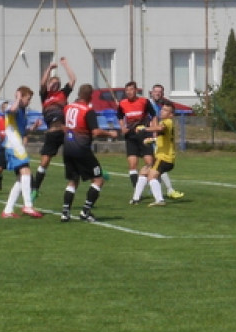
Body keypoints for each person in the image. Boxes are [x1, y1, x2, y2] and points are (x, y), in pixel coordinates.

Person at [60, 84, 117, 222]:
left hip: (68, 148)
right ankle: (85, 212)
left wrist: (71, 134)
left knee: (73, 181)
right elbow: (96, 132)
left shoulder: (68, 107)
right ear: (90, 96)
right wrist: (110, 133)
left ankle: (65, 212)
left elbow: (62, 126)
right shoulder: (88, 111)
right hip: (82, 149)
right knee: (98, 179)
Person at [31, 57, 76, 200]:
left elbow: (73, 79)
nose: (55, 85)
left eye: (57, 83)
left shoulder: (63, 94)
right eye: (53, 82)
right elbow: (42, 83)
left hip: (64, 130)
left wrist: (65, 65)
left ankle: (95, 172)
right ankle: (35, 189)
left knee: (78, 153)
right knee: (44, 162)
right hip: (52, 132)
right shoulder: (45, 96)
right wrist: (49, 69)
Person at [0, 87, 44, 218]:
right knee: (26, 173)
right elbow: (11, 110)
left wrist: (34, 127)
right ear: (21, 97)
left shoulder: (23, 111)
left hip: (17, 145)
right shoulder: (13, 106)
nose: (29, 102)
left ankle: (7, 210)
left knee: (21, 178)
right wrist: (18, 97)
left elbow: (23, 131)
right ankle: (28, 206)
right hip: (13, 145)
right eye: (28, 99)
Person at [131, 99, 180, 206]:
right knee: (143, 172)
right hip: (161, 157)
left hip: (165, 158)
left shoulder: (168, 122)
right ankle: (135, 199)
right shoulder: (165, 122)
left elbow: (160, 128)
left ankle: (159, 200)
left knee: (151, 177)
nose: (162, 111)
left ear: (171, 115)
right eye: (162, 109)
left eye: (166, 110)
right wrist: (152, 140)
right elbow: (164, 138)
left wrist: (144, 129)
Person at [117, 81, 156, 193]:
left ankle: (154, 186)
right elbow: (120, 116)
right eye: (127, 90)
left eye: (131, 89)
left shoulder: (144, 101)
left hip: (144, 135)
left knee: (150, 162)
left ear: (136, 90)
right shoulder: (122, 103)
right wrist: (123, 127)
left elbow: (153, 115)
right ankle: (136, 191)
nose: (129, 92)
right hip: (131, 136)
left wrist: (154, 130)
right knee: (132, 164)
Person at [149, 84, 184, 200]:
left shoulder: (164, 105)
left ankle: (164, 191)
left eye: (160, 92)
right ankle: (162, 190)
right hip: (151, 136)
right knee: (153, 166)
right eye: (156, 91)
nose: (158, 93)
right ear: (151, 92)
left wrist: (153, 132)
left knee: (157, 165)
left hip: (158, 137)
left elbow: (161, 124)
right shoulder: (148, 104)